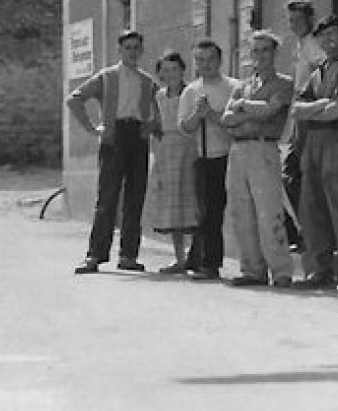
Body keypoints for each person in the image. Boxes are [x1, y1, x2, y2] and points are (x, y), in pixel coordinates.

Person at [67, 30, 161, 274]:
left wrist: (151, 126)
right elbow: (75, 99)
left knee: (135, 196)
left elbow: (160, 110)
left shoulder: (148, 82)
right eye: (127, 47)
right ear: (119, 50)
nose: (132, 52)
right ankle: (95, 255)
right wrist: (91, 128)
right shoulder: (107, 77)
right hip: (114, 136)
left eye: (136, 48)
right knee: (107, 197)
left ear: (141, 51)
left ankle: (129, 255)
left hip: (138, 137)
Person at [290, 14, 338, 295]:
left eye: (333, 34)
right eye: (323, 36)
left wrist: (317, 110)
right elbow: (297, 108)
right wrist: (321, 106)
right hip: (314, 143)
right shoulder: (319, 70)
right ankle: (319, 269)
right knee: (312, 207)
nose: (329, 40)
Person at [218, 30, 294, 287]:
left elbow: (271, 111)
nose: (260, 56)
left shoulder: (283, 83)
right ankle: (253, 269)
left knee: (269, 211)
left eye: (266, 50)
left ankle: (281, 271)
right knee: (242, 211)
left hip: (264, 149)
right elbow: (226, 119)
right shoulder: (242, 85)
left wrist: (243, 107)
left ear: (274, 54)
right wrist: (250, 110)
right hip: (239, 150)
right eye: (256, 51)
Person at [177, 39, 237, 280]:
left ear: (219, 60)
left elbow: (235, 123)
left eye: (210, 59)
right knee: (206, 211)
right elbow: (185, 127)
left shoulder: (234, 87)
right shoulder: (191, 91)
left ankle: (208, 260)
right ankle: (207, 261)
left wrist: (212, 115)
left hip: (230, 157)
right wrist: (198, 114)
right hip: (203, 157)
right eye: (200, 60)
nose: (206, 64)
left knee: (219, 211)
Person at [143, 51, 197, 274]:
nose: (171, 74)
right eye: (165, 70)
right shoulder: (159, 97)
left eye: (175, 69)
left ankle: (197, 256)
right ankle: (179, 258)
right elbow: (156, 123)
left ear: (183, 70)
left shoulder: (191, 93)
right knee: (172, 205)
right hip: (167, 151)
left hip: (189, 149)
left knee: (192, 202)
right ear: (160, 74)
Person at [281, 0, 327, 252]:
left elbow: (322, 72)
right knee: (289, 175)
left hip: (308, 113)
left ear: (309, 20)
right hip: (297, 114)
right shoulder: (300, 46)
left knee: (293, 175)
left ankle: (306, 231)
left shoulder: (312, 46)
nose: (294, 25)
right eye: (290, 20)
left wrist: (310, 98)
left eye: (298, 20)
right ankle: (301, 230)